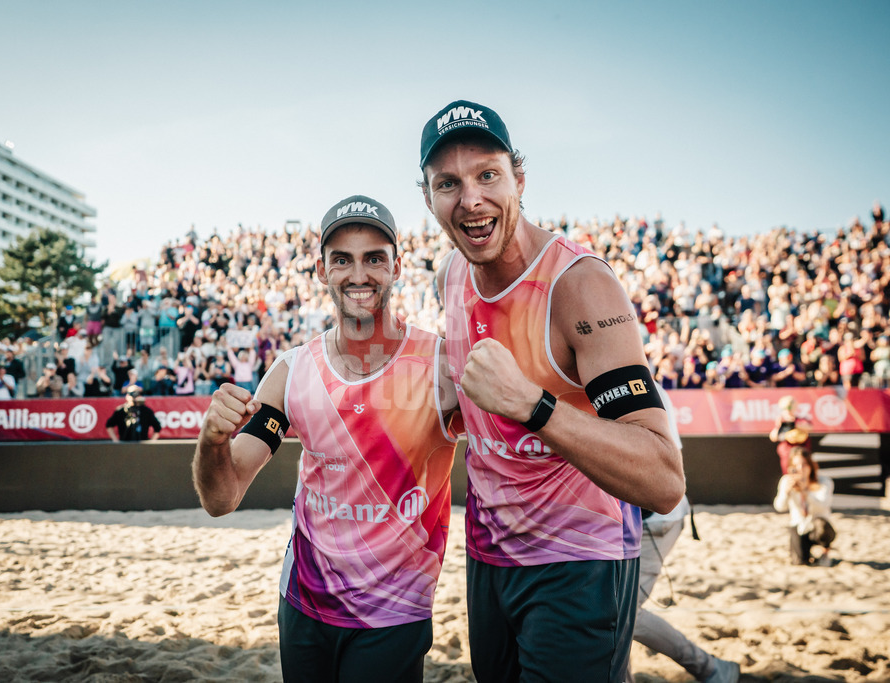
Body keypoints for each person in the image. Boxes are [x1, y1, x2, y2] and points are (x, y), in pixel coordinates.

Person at [418, 99, 684, 681]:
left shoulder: (579, 287)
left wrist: (532, 406)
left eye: (488, 174)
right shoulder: (450, 276)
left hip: (579, 562)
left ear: (519, 178)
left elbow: (664, 478)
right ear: (428, 198)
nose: (470, 199)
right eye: (448, 183)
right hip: (489, 559)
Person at [192, 195, 459, 683]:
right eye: (342, 259)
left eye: (374, 258)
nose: (359, 274)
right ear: (321, 270)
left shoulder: (442, 366)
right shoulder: (291, 371)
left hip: (394, 611)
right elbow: (222, 497)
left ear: (397, 267)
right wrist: (210, 442)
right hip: (304, 603)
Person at [626, 387, 741, 683]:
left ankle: (711, 668)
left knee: (625, 613)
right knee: (614, 611)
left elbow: (664, 462)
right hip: (634, 519)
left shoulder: (638, 383)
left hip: (655, 519)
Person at [774, 446, 835, 566]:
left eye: (804, 464)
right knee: (799, 561)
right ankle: (807, 554)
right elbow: (779, 507)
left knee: (822, 527)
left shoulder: (824, 482)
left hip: (817, 525)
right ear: (791, 467)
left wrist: (805, 492)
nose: (800, 469)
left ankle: (825, 552)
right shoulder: (787, 481)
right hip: (799, 526)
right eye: (796, 465)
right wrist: (786, 492)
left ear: (811, 466)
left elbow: (823, 506)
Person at [768, 395, 812, 474]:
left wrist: (794, 424)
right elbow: (773, 437)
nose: (788, 411)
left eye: (790, 407)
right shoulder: (782, 422)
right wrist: (779, 426)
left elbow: (809, 427)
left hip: (801, 452)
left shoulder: (800, 420)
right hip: (787, 454)